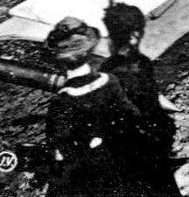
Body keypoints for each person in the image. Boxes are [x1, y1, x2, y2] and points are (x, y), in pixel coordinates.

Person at [43, 17, 145, 197]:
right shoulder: (110, 82)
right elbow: (133, 116)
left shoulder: (62, 101)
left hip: (89, 173)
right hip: (120, 162)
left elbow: (60, 146)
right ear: (89, 52)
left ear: (59, 62)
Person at [101, 3, 182, 196]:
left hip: (128, 149)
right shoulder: (141, 63)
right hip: (147, 145)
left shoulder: (107, 69)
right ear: (135, 35)